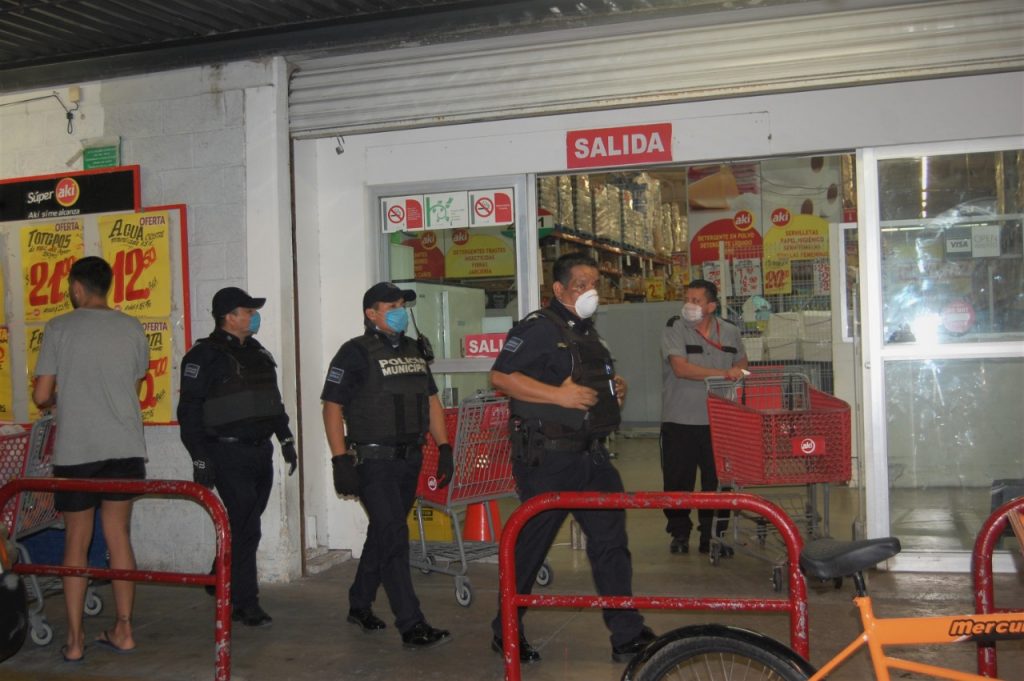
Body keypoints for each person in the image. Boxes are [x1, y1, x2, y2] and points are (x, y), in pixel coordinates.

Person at [488, 252, 655, 664]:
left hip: (591, 458)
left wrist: (613, 390)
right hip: (548, 460)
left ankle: (626, 633)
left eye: (594, 284)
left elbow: (584, 384)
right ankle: (505, 629)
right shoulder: (538, 328)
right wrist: (558, 396)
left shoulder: (587, 333)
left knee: (611, 543)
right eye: (581, 284)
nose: (590, 291)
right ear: (559, 289)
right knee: (532, 545)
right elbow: (501, 376)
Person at [321, 282, 454, 649]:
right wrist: (339, 459)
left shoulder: (413, 350)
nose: (399, 312)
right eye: (391, 306)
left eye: (402, 305)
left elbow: (431, 401)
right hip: (373, 462)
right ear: (371, 313)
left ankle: (359, 602)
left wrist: (444, 447)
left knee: (383, 533)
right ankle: (412, 624)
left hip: (409, 459)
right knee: (395, 536)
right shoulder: (354, 352)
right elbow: (332, 407)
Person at [33, 256, 149, 661]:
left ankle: (75, 641)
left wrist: (64, 395)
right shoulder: (131, 327)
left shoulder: (59, 327)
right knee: (118, 536)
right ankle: (124, 630)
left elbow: (41, 395)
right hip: (124, 447)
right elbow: (133, 384)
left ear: (77, 288)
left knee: (76, 541)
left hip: (77, 450)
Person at [177, 287, 297, 627]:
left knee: (244, 523)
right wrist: (200, 458)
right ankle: (245, 603)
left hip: (260, 452)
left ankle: (218, 574)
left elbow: (272, 402)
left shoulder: (258, 354)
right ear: (229, 317)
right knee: (248, 528)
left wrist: (285, 438)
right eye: (249, 311)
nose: (254, 317)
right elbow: (189, 413)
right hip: (226, 452)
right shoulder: (203, 357)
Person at [660, 279, 747, 555]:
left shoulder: (730, 331)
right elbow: (681, 368)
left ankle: (713, 535)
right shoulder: (675, 328)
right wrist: (724, 374)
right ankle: (679, 533)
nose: (690, 305)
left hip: (719, 420)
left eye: (696, 301)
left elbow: (741, 361)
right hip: (680, 419)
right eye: (687, 299)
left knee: (718, 481)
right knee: (678, 480)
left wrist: (737, 371)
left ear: (711, 306)